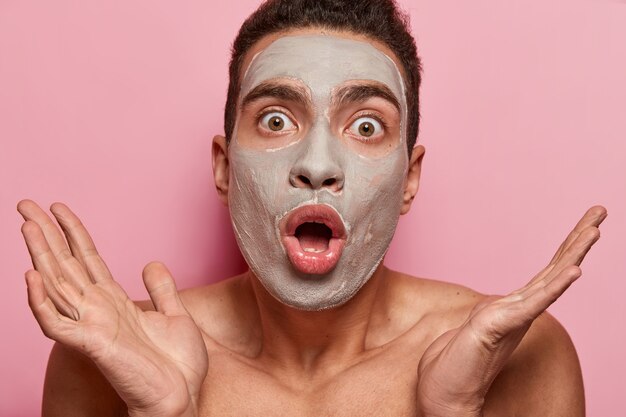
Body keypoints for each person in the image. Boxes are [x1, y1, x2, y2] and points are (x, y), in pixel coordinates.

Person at [18, 0, 606, 416]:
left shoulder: (520, 354)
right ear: (224, 167)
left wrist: (454, 412)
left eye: (367, 124)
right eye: (276, 120)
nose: (318, 164)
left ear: (410, 178)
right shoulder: (110, 355)